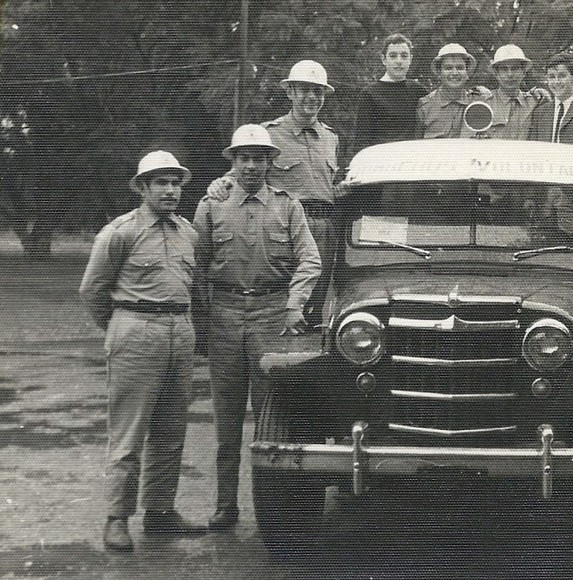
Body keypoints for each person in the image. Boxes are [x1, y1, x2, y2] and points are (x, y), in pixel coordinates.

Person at [194, 125, 321, 531]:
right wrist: (201, 321)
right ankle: (225, 505)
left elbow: (310, 261)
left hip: (272, 315)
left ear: (270, 163)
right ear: (232, 162)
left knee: (274, 416)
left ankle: (277, 511)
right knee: (227, 421)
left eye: (259, 158)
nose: (251, 165)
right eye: (243, 157)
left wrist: (293, 305)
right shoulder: (211, 206)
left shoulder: (288, 206)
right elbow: (195, 267)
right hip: (225, 315)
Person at [80, 151, 206, 552]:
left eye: (175, 183)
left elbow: (193, 286)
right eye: (161, 183)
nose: (170, 190)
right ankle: (116, 519)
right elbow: (93, 290)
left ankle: (160, 513)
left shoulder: (188, 232)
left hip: (179, 331)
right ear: (143, 188)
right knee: (129, 432)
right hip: (136, 329)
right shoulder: (120, 232)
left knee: (170, 431)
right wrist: (122, 328)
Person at [207, 60, 338, 328]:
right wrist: (219, 183)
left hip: (324, 226)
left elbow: (326, 186)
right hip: (286, 228)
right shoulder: (269, 133)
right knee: (286, 300)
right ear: (290, 92)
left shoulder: (330, 138)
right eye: (304, 90)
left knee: (318, 301)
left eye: (318, 91)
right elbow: (239, 173)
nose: (312, 97)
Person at [349, 33, 427, 158]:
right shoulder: (369, 94)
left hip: (412, 162)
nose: (399, 61)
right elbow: (361, 141)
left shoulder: (418, 91)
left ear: (410, 59)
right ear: (383, 59)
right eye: (393, 56)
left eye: (404, 56)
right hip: (382, 164)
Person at [460, 44, 547, 140]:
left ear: (523, 72)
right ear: (496, 74)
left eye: (515, 68)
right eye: (504, 69)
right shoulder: (482, 103)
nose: (510, 74)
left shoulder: (535, 102)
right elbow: (466, 142)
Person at [417, 43, 480, 139]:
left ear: (467, 73)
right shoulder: (425, 106)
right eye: (448, 68)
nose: (454, 73)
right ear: (439, 73)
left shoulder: (479, 102)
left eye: (460, 68)